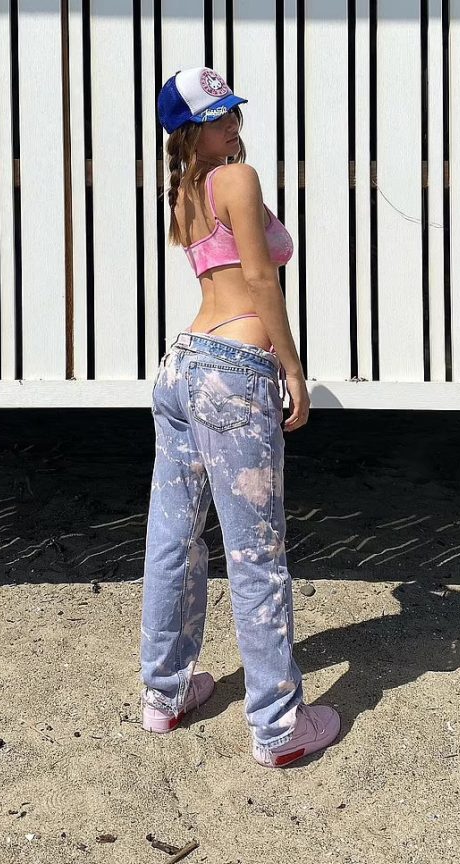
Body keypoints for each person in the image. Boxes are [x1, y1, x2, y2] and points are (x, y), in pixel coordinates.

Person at [138, 66, 340, 768]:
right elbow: (259, 278)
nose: (232, 124)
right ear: (188, 131)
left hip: (183, 367)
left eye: (232, 111)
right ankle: (279, 727)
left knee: (173, 537)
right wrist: (291, 369)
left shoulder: (185, 192)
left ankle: (164, 694)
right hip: (233, 373)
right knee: (256, 554)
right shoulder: (237, 179)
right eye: (216, 117)